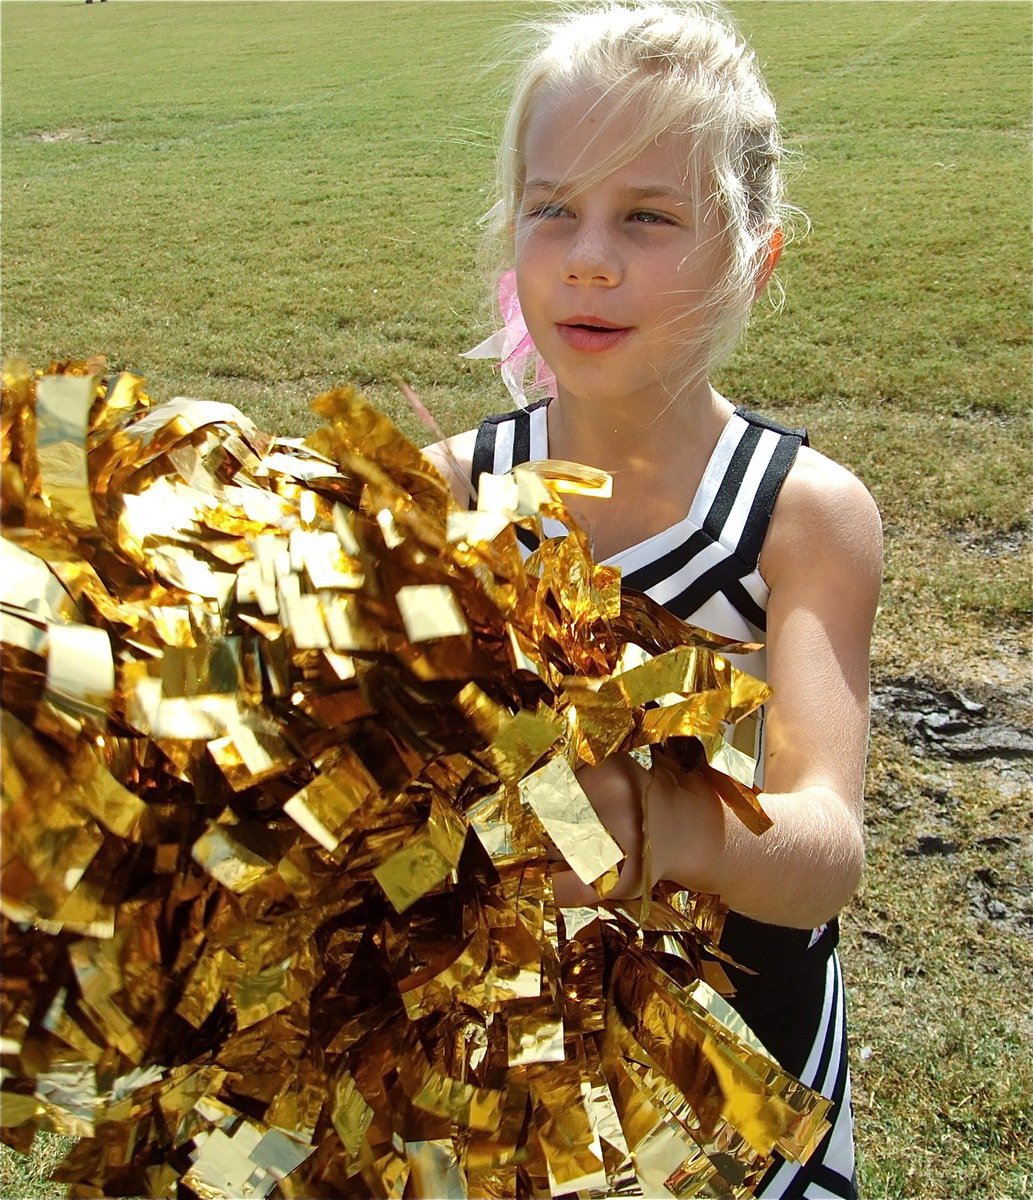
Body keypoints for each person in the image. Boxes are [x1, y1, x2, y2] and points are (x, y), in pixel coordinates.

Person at [424, 3, 882, 1196]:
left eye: (648, 215)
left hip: (729, 1047)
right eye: (552, 206)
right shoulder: (456, 488)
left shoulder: (799, 516)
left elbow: (824, 849)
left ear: (752, 252)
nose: (588, 254)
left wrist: (653, 827)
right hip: (507, 1035)